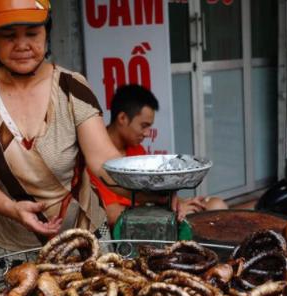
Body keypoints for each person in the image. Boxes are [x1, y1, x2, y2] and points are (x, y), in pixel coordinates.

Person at [0, 0, 127, 255]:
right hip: (10, 250)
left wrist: (151, 191)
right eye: (8, 36)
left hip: (82, 242)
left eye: (32, 34)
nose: (22, 45)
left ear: (47, 32)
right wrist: (12, 209)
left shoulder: (71, 87)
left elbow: (102, 161)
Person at [88, 84, 228, 228]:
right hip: (131, 226)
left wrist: (179, 203)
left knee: (216, 205)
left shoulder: (137, 151)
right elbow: (110, 214)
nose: (148, 133)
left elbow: (151, 194)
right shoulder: (95, 159)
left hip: (153, 213)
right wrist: (169, 212)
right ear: (122, 118)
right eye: (144, 126)